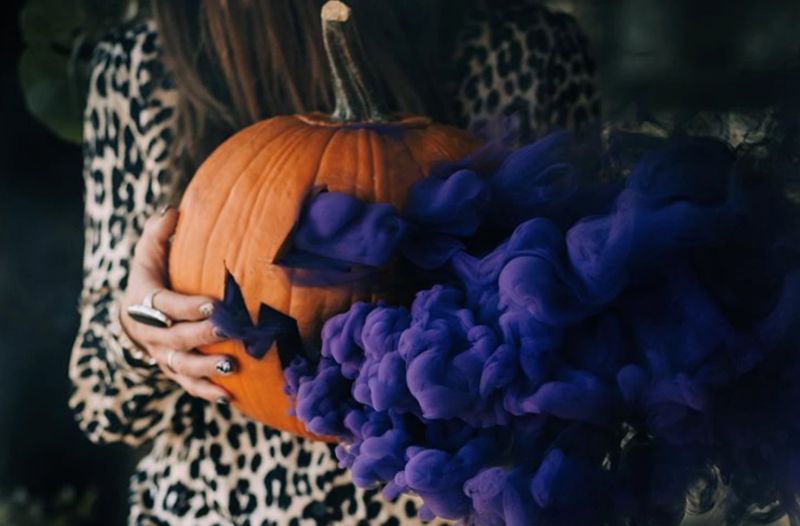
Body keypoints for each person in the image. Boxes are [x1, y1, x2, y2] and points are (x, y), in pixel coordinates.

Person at [68, 0, 599, 524]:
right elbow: (103, 410)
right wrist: (141, 330)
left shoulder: (526, 46)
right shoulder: (146, 61)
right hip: (225, 505)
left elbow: (591, 355)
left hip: (454, 505)